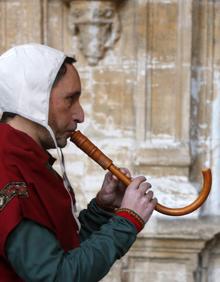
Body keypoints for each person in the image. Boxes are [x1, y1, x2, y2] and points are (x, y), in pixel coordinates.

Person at [0, 43, 157, 282]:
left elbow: (67, 253)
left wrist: (101, 210)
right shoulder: (6, 168)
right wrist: (127, 221)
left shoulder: (28, 159)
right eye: (70, 99)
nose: (80, 115)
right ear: (35, 102)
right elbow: (57, 276)